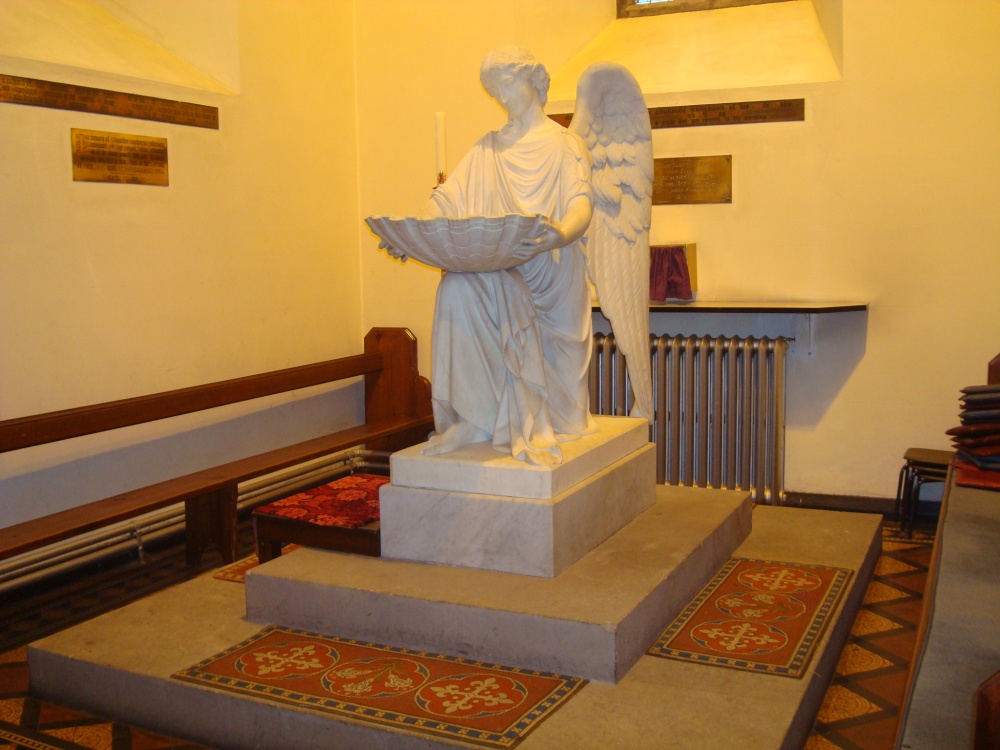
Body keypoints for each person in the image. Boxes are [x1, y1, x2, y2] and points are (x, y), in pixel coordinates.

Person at [416, 46, 598, 465]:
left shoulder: (565, 144)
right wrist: (419, 233)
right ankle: (476, 419)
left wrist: (559, 234)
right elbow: (444, 202)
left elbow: (581, 205)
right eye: (494, 89)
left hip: (550, 277)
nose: (502, 96)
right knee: (455, 289)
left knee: (564, 418)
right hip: (501, 273)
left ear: (533, 79)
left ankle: (537, 416)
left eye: (507, 83)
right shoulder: (487, 150)